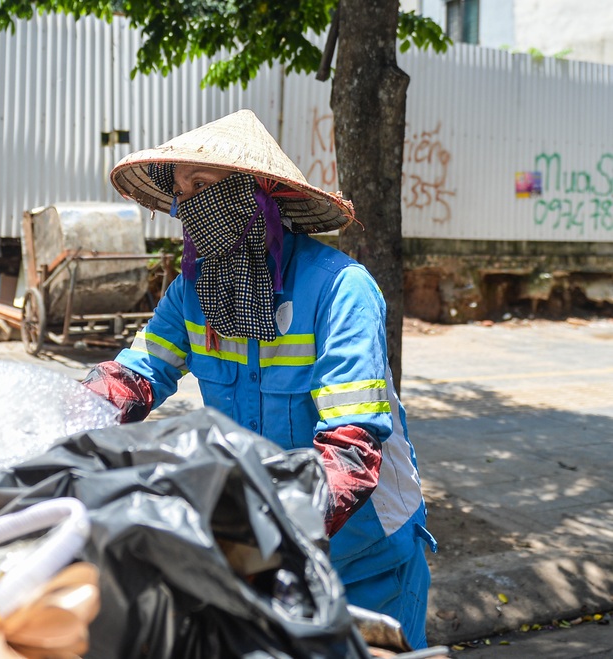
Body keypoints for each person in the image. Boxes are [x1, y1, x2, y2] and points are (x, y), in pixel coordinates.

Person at [81, 109, 437, 648]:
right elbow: (134, 376)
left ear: (257, 191)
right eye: (181, 191)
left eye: (203, 185)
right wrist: (60, 420)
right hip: (262, 554)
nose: (189, 205)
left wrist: (261, 532)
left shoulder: (341, 290)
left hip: (364, 559)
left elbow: (351, 450)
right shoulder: (193, 292)